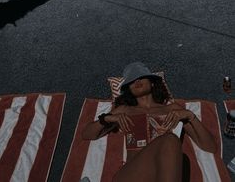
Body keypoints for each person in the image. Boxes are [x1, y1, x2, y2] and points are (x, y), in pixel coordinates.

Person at [82, 62, 217, 182]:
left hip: (164, 174)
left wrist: (190, 116)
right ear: (128, 89)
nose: (137, 81)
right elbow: (87, 134)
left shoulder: (172, 109)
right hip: (133, 175)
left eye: (141, 77)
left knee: (170, 141)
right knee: (170, 140)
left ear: (152, 82)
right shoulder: (124, 110)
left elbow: (210, 147)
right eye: (132, 81)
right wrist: (106, 118)